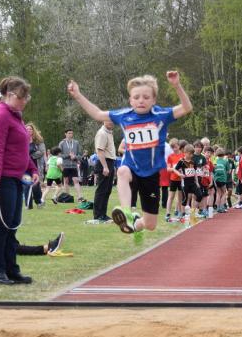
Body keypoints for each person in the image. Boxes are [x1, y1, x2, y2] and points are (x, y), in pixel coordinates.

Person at [68, 71, 193, 235]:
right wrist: (78, 95)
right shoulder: (124, 115)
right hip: (131, 168)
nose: (141, 100)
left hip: (151, 174)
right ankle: (126, 212)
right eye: (136, 97)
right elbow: (97, 114)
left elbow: (186, 107)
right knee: (121, 171)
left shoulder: (161, 115)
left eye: (146, 97)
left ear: (154, 100)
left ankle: (135, 223)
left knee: (150, 224)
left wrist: (176, 85)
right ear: (130, 100)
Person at [0, 76, 37, 285]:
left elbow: (21, 148)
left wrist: (32, 168)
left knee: (12, 225)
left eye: (27, 98)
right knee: (1, 225)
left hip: (15, 177)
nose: (25, 101)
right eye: (22, 97)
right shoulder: (1, 116)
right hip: (1, 177)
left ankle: (11, 269)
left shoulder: (16, 116)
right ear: (10, 95)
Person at [89, 120, 116, 223]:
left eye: (113, 121)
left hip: (110, 162)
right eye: (109, 121)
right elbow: (100, 151)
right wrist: (105, 166)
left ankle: (103, 214)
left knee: (107, 190)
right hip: (104, 162)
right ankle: (98, 215)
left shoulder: (109, 133)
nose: (112, 123)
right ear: (104, 121)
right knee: (101, 190)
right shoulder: (102, 133)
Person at [58, 129, 84, 202]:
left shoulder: (76, 143)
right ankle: (67, 197)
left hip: (74, 165)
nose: (70, 135)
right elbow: (59, 155)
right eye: (69, 133)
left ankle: (80, 197)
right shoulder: (62, 143)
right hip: (65, 165)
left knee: (76, 180)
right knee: (66, 181)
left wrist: (75, 157)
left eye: (72, 133)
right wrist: (68, 155)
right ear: (65, 134)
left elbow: (80, 155)